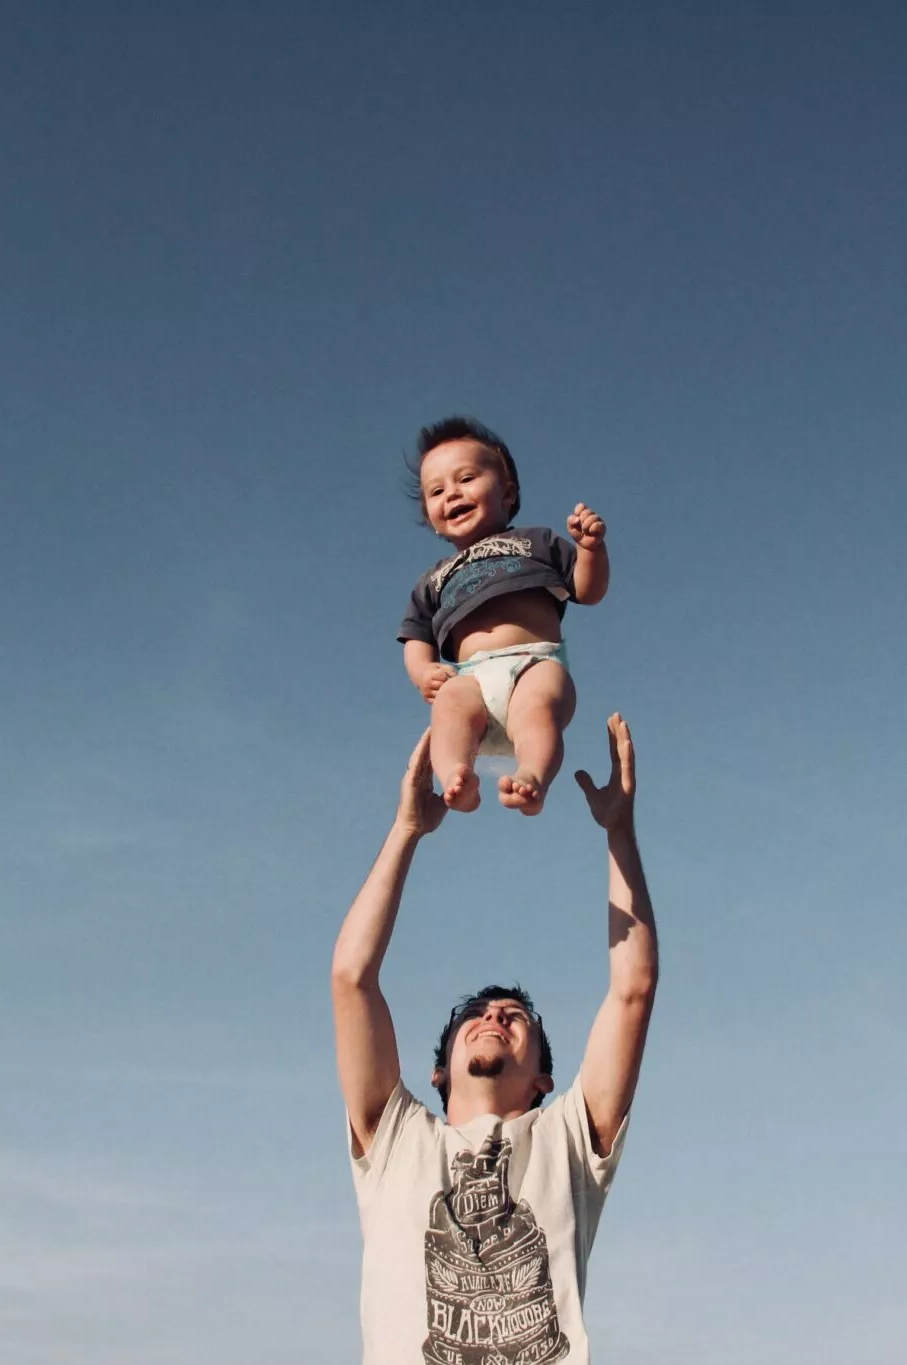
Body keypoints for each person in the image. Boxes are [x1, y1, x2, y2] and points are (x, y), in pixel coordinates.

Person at [331, 715, 658, 1364]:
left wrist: (619, 831)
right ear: (438, 1071)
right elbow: (352, 978)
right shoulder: (397, 1142)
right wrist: (406, 831)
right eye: (475, 1014)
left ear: (543, 1079)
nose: (494, 1016)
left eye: (516, 1016)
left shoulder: (569, 1138)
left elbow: (633, 988)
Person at [398, 416, 610, 816]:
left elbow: (587, 591)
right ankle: (456, 776)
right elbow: (416, 635)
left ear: (507, 492)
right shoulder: (434, 579)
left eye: (466, 479)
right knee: (448, 708)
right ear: (430, 518)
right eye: (437, 490)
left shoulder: (536, 542)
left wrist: (590, 551)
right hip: (470, 676)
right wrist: (423, 672)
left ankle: (532, 776)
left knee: (537, 712)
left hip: (535, 661)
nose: (452, 494)